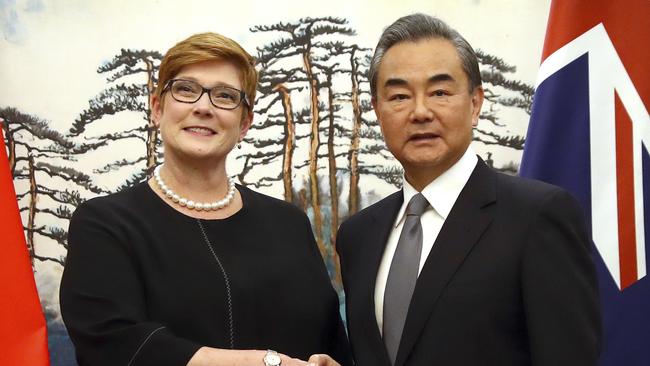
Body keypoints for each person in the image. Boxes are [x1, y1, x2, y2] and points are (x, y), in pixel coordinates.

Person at [60, 32, 351, 366]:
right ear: (157, 108)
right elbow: (115, 345)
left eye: (225, 96)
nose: (203, 107)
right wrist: (268, 363)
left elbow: (330, 339)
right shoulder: (104, 224)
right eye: (186, 89)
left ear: (244, 124)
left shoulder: (289, 223)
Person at [336, 14, 601, 366]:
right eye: (399, 96)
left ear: (475, 103)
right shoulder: (358, 235)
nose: (420, 111)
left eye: (440, 92)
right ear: (378, 110)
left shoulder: (537, 217)